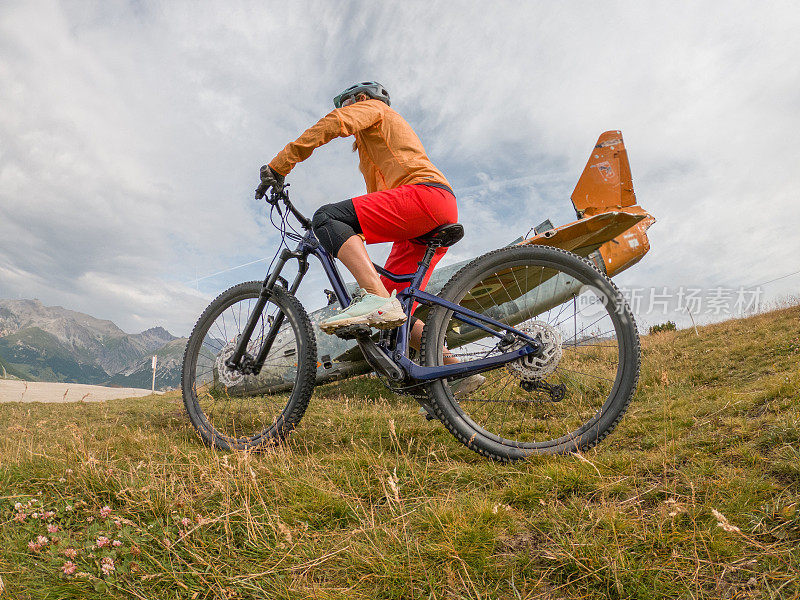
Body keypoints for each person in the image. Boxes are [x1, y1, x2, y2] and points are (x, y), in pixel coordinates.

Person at [257, 81, 483, 398]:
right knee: (395, 309)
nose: (343, 110)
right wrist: (346, 237)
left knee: (327, 217)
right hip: (426, 213)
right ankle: (455, 370)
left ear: (360, 100)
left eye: (346, 104)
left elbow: (335, 123)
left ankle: (376, 303)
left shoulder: (375, 108)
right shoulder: (373, 151)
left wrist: (279, 165)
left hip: (425, 198)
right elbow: (378, 204)